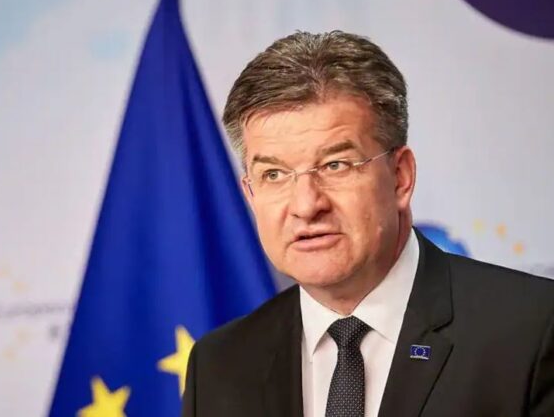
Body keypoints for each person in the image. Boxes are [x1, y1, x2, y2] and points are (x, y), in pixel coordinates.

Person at [181, 30, 554, 417]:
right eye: (274, 174)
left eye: (335, 165)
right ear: (250, 193)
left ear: (400, 177)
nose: (306, 206)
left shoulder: (532, 332)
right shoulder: (219, 366)